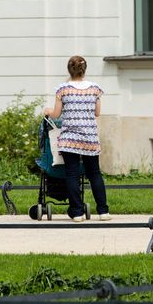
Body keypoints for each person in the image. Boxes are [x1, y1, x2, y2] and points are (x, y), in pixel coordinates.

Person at [44, 55, 110, 222]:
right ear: (84, 69)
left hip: (70, 138)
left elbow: (57, 114)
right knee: (94, 173)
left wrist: (48, 111)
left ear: (69, 70)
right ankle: (103, 211)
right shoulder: (95, 89)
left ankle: (77, 212)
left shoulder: (63, 89)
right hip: (89, 137)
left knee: (72, 174)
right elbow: (97, 113)